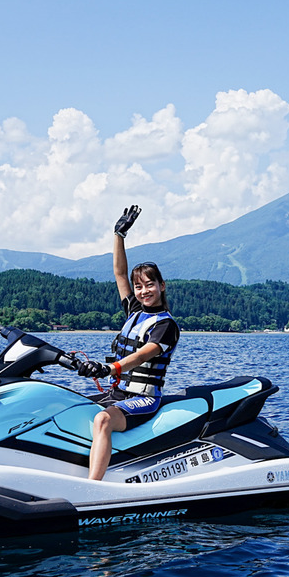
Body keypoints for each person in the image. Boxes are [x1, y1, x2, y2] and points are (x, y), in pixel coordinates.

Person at [76, 204, 180, 480]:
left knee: (103, 419)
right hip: (119, 393)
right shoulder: (135, 312)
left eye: (149, 284)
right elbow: (120, 274)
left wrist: (111, 368)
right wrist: (118, 235)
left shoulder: (166, 325)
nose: (144, 291)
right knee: (69, 404)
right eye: (139, 286)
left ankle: (93, 486)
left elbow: (144, 355)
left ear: (162, 286)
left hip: (143, 398)